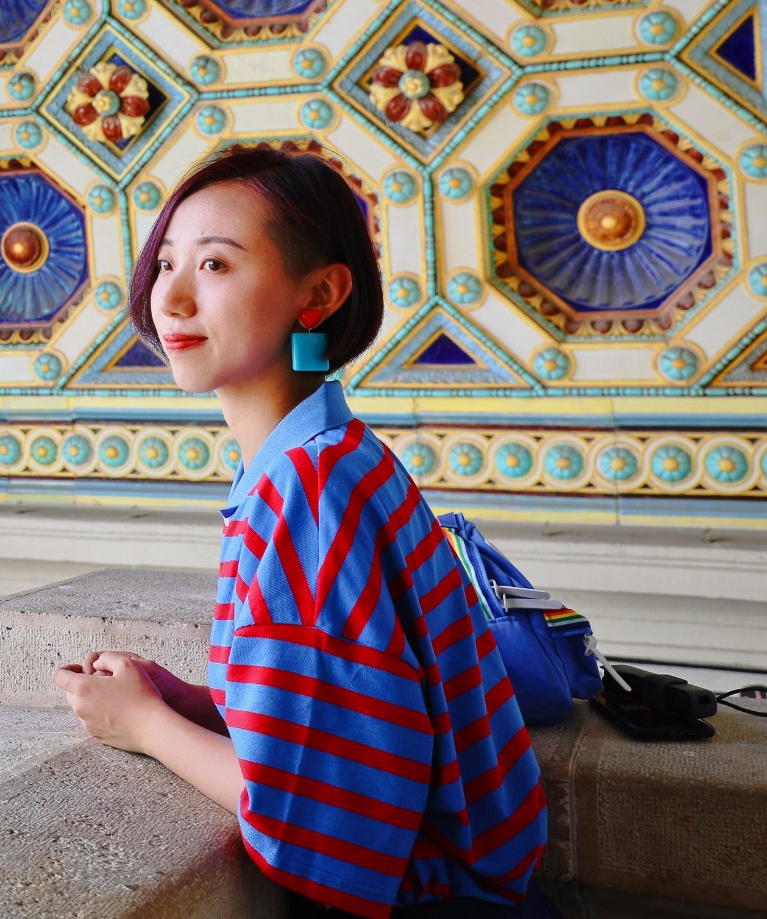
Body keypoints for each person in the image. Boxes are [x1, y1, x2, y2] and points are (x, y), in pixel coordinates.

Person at [51, 147, 552, 918]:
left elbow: (314, 812)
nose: (171, 298)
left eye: (215, 266)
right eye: (167, 264)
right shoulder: (329, 453)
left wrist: (145, 723)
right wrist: (191, 699)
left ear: (318, 293)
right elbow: (342, 705)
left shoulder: (307, 489)